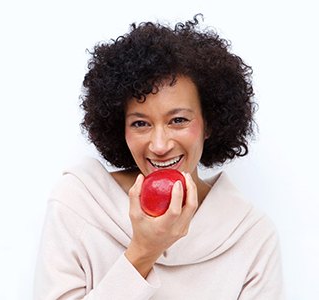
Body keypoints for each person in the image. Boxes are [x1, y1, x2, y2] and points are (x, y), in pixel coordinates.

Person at [34, 14, 284, 299]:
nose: (160, 145)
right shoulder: (79, 202)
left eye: (178, 120)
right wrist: (143, 251)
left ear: (209, 123)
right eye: (140, 123)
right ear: (121, 128)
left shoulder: (251, 235)